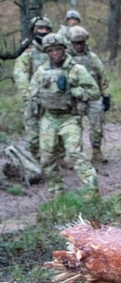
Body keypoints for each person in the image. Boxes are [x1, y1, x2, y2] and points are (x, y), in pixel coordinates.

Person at [28, 33, 101, 195]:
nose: (54, 53)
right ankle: (56, 192)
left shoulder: (76, 70)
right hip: (48, 117)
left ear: (64, 49)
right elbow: (31, 93)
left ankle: (91, 191)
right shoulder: (41, 71)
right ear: (46, 52)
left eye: (58, 49)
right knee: (47, 158)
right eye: (50, 50)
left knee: (76, 155)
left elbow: (95, 92)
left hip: (69, 118)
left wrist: (74, 90)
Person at [66, 26, 111, 165]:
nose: (79, 46)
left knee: (97, 124)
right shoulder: (67, 59)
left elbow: (102, 76)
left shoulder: (92, 58)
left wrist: (106, 96)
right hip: (75, 97)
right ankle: (76, 153)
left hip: (93, 96)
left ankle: (96, 151)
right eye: (76, 43)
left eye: (82, 43)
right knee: (74, 126)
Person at [13, 16, 54, 160]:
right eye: (40, 28)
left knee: (57, 132)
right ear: (33, 30)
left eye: (46, 29)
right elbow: (20, 75)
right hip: (34, 99)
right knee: (34, 135)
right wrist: (28, 97)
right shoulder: (27, 50)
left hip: (54, 98)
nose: (43, 32)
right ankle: (37, 160)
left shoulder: (56, 49)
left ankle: (58, 158)